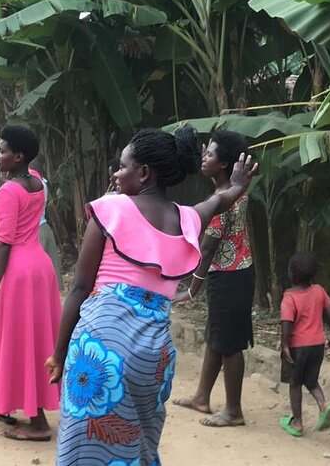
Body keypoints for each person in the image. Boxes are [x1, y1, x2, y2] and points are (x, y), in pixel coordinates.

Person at [45, 126, 257, 464]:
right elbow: (219, 199)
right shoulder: (187, 218)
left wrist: (58, 353)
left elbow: (80, 289)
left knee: (84, 447)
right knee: (138, 444)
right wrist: (237, 183)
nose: (116, 174)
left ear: (143, 173)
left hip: (100, 345)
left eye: (122, 166)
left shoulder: (108, 210)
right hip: (153, 356)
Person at [0, 126, 62, 441]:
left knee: (21, 339)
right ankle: (4, 404)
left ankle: (37, 424)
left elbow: (4, 243)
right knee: (24, 336)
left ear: (18, 156)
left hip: (20, 271)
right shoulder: (35, 181)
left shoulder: (8, 191)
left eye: (2, 150)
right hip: (40, 267)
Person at [172, 130, 256, 427]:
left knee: (230, 344)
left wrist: (192, 290)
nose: (203, 158)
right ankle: (202, 397)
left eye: (209, 154)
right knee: (216, 337)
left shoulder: (222, 199)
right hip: (238, 273)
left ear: (223, 165)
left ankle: (233, 411)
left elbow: (207, 249)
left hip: (228, 276)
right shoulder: (238, 187)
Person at [279, 253, 330, 437]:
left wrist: (284, 346)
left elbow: (287, 323)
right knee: (311, 380)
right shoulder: (319, 290)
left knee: (295, 383)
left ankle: (297, 422)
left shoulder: (289, 297)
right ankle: (324, 404)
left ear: (292, 274)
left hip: (298, 346)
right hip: (318, 344)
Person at [30, 157, 63, 290]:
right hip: (44, 227)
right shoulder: (43, 182)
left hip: (36, 230)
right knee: (51, 266)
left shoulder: (34, 184)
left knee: (35, 269)